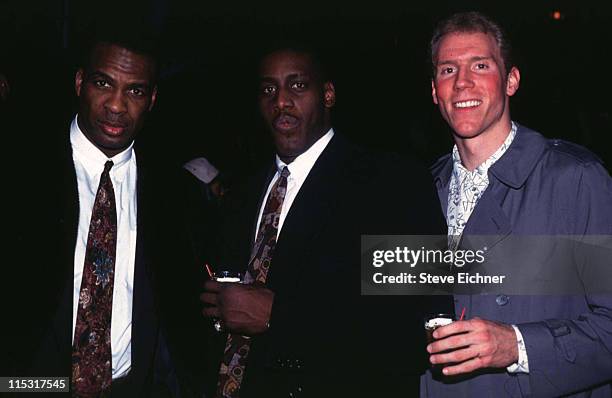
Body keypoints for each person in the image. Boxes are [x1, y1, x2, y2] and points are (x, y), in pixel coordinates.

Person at [200, 44, 448, 397]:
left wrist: (278, 316)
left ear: (328, 94)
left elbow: (411, 326)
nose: (281, 101)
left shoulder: (392, 181)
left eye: (297, 86)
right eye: (269, 89)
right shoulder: (241, 194)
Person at [424, 11, 612, 397]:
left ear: (511, 80)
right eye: (448, 70)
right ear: (434, 91)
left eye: (480, 65)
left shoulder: (575, 179)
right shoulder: (419, 189)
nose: (462, 82)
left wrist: (518, 345)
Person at [6, 30, 202, 397]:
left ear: (153, 98)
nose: (116, 105)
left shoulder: (177, 193)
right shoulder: (18, 171)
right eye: (104, 83)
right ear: (80, 82)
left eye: (135, 91)